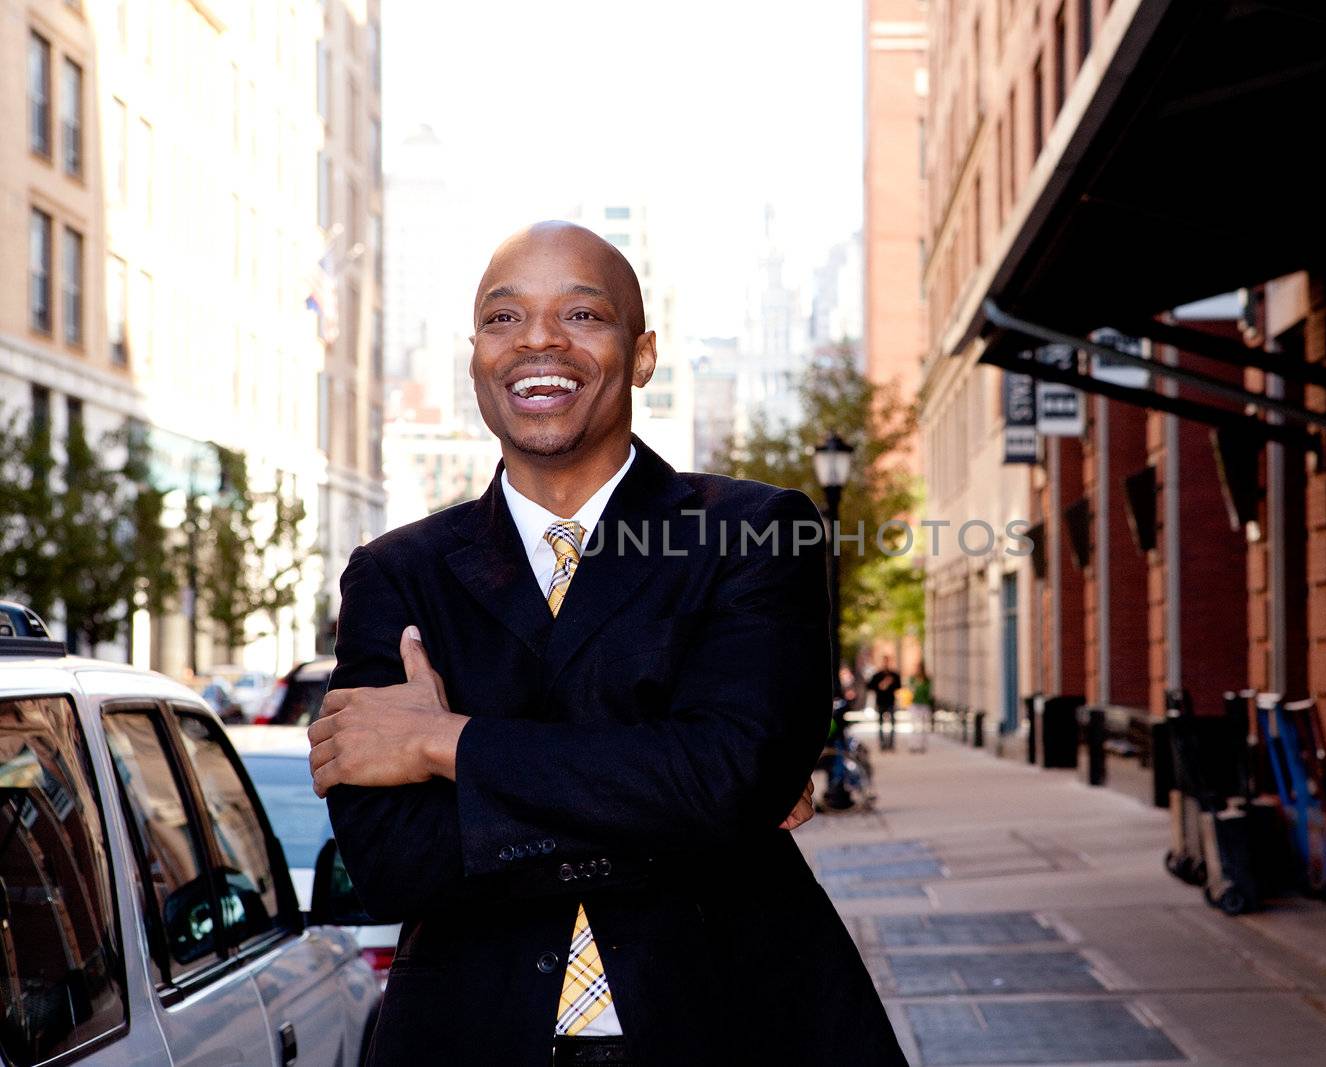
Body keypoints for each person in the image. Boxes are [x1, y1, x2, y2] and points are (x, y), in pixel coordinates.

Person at [305, 223, 907, 1066]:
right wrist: (681, 804)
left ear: (643, 353)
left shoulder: (755, 532)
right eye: (503, 318)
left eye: (582, 314)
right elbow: (393, 862)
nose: (539, 339)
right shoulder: (395, 575)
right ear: (476, 355)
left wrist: (447, 744)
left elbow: (724, 779)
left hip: (738, 1031)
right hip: (472, 1039)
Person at [868, 655, 902, 751]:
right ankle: (882, 744)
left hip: (891, 701)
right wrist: (881, 685)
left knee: (892, 725)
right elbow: (870, 687)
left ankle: (891, 744)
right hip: (880, 702)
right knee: (880, 725)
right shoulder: (877, 675)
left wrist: (890, 683)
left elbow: (899, 686)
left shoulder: (894, 675)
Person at [909, 666, 933, 754]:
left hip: (924, 705)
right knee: (915, 726)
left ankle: (923, 745)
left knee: (924, 727)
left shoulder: (927, 681)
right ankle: (914, 745)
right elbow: (911, 691)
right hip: (915, 705)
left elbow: (928, 693)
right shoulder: (913, 679)